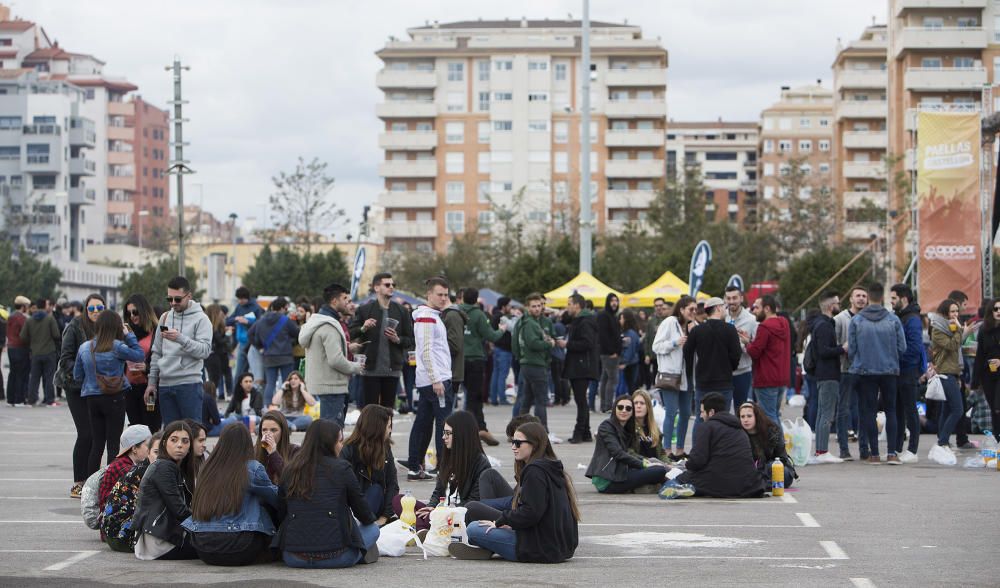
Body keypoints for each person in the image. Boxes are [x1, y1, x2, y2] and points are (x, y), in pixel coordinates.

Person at [450, 422, 579, 563]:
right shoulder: (552, 467)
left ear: (534, 444)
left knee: (474, 529)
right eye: (512, 442)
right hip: (560, 547)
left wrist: (501, 521)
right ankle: (488, 545)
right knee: (478, 514)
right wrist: (509, 522)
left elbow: (531, 512)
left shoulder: (535, 471)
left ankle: (483, 545)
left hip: (540, 549)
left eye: (518, 443)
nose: (513, 447)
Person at [277, 419, 380, 568]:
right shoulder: (342, 468)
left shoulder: (290, 469)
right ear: (329, 443)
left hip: (294, 557)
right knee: (373, 529)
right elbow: (363, 513)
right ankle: (360, 553)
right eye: (339, 441)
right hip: (337, 557)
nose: (341, 445)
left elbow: (281, 513)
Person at [182, 423, 279, 566]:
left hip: (203, 547)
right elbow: (277, 499)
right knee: (261, 499)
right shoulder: (251, 468)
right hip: (240, 545)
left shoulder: (206, 468)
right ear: (247, 444)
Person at [392, 410, 493, 532]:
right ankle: (424, 528)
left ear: (461, 435)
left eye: (448, 433)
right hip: (439, 511)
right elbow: (438, 492)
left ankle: (420, 528)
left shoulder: (481, 464)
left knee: (428, 517)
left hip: (458, 516)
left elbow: (473, 504)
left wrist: (439, 512)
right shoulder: (448, 456)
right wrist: (431, 506)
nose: (443, 437)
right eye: (443, 432)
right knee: (400, 500)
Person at [73, 310, 145, 477]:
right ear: (116, 327)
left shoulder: (85, 347)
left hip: (92, 398)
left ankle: (91, 485)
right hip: (115, 397)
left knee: (97, 444)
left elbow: (77, 376)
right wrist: (129, 335)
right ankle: (112, 484)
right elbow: (139, 355)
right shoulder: (117, 347)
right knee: (113, 444)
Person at [661, 392, 765, 499]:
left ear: (711, 412)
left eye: (702, 412)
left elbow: (697, 461)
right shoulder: (740, 429)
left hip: (719, 481)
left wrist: (685, 467)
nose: (701, 415)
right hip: (747, 485)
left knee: (673, 480)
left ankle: (682, 487)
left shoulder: (707, 427)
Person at [401, 277, 454, 482]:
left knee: (423, 423)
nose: (443, 298)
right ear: (429, 295)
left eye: (445, 295)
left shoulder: (430, 315)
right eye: (439, 294)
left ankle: (416, 466)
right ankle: (443, 467)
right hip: (436, 381)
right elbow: (425, 350)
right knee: (443, 425)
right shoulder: (426, 317)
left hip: (432, 379)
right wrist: (436, 379)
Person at [849, 284, 907, 465]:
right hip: (889, 370)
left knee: (869, 412)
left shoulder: (857, 320)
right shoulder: (893, 319)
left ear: (868, 298)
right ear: (882, 297)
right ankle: (891, 453)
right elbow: (902, 348)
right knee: (891, 411)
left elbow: (851, 350)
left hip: (866, 371)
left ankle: (874, 454)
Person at [147, 276, 213, 425]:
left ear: (188, 296)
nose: (173, 303)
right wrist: (151, 383)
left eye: (177, 299)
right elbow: (157, 352)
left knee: (193, 433)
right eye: (169, 299)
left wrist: (180, 338)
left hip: (189, 384)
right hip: (164, 385)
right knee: (170, 436)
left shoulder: (201, 319)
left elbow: (204, 351)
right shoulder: (164, 317)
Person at [299, 283, 364, 427]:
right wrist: (356, 367)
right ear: (334, 301)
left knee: (328, 431)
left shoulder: (319, 321)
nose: (347, 302)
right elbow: (335, 360)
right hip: (332, 386)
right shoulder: (329, 325)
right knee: (332, 433)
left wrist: (346, 349)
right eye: (344, 298)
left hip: (327, 384)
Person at [132, 420, 198, 560]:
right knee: (218, 543)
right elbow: (179, 510)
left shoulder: (172, 467)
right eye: (174, 440)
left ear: (190, 446)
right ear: (164, 443)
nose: (180, 445)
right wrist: (205, 527)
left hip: (162, 537)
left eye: (185, 441)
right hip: (159, 542)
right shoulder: (164, 467)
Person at [58, 294, 103, 498]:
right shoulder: (75, 326)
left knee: (96, 435)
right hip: (74, 385)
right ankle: (78, 483)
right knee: (85, 433)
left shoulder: (106, 327)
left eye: (99, 308)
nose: (95, 312)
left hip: (96, 388)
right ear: (85, 309)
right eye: (91, 309)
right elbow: (65, 358)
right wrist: (83, 370)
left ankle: (91, 482)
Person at [350, 272, 415, 409]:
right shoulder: (364, 309)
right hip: (370, 368)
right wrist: (363, 328)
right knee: (370, 411)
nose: (391, 287)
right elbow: (349, 333)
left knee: (388, 411)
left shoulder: (402, 310)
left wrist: (397, 339)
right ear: (376, 287)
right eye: (387, 284)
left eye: (393, 284)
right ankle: (371, 432)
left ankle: (386, 432)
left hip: (392, 368)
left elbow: (410, 340)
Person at [683, 297, 742, 443]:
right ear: (718, 308)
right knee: (724, 419)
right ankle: (721, 450)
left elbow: (687, 352)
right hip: (724, 381)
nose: (725, 310)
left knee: (701, 418)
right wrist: (730, 367)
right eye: (724, 307)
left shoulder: (697, 330)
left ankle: (698, 450)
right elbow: (736, 354)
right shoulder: (729, 329)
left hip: (703, 381)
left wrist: (691, 373)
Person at [586, 394, 667, 494]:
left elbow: (631, 454)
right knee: (659, 471)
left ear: (632, 412)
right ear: (614, 409)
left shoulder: (627, 428)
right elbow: (619, 453)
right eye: (620, 407)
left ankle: (648, 486)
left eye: (628, 408)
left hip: (620, 472)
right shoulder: (606, 426)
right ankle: (652, 487)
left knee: (658, 468)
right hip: (607, 480)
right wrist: (645, 464)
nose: (624, 410)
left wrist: (649, 462)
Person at [459, 288, 506, 445]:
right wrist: (501, 331)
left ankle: (481, 427)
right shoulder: (478, 314)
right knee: (474, 396)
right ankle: (472, 430)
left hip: (459, 359)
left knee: (468, 395)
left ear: (463, 298)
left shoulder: (455, 312)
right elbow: (490, 335)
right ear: (476, 299)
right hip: (475, 359)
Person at [101, 432, 161, 552]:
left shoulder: (137, 465)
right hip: (121, 535)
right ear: (134, 448)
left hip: (113, 532)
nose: (160, 457)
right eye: (155, 452)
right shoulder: (126, 468)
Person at [339, 405, 398, 526]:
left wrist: (384, 517)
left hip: (373, 507)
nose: (390, 431)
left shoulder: (385, 448)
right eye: (388, 427)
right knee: (375, 491)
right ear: (376, 428)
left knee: (398, 499)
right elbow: (343, 490)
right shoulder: (348, 450)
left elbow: (392, 484)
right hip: (352, 509)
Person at [653, 295, 696, 460]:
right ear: (682, 309)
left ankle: (680, 449)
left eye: (695, 309)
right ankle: (667, 450)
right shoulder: (670, 322)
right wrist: (674, 343)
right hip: (671, 374)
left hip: (687, 375)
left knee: (685, 413)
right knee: (671, 413)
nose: (694, 312)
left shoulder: (692, 325)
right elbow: (656, 346)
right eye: (690, 309)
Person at [930, 299, 976, 452]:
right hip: (944, 372)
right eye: (952, 311)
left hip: (953, 372)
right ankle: (942, 441)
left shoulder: (951, 329)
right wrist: (959, 331)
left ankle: (942, 441)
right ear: (945, 312)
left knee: (948, 409)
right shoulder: (937, 328)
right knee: (958, 409)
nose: (955, 314)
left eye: (957, 311)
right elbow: (952, 345)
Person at [890, 284, 925, 463]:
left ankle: (912, 450)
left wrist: (898, 360)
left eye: (894, 298)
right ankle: (896, 449)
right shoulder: (900, 317)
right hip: (898, 371)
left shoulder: (912, 319)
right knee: (898, 411)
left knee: (910, 410)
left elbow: (914, 348)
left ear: (904, 299)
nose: (891, 301)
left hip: (908, 371)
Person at [743, 295, 791, 426]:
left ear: (767, 308)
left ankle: (777, 446)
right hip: (781, 378)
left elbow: (754, 352)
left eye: (757, 307)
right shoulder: (784, 323)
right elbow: (767, 348)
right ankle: (777, 445)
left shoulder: (764, 327)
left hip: (766, 378)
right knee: (774, 414)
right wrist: (750, 341)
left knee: (769, 418)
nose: (754, 311)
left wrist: (746, 344)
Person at [809, 292, 845, 463]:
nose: (840, 305)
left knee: (822, 412)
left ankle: (819, 450)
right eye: (838, 302)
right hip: (828, 373)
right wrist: (842, 349)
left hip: (823, 374)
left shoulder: (820, 324)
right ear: (831, 306)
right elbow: (824, 351)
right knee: (827, 414)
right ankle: (822, 451)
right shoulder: (824, 326)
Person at [560, 293, 599, 444]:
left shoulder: (585, 321)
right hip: (579, 365)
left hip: (582, 366)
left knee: (581, 400)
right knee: (581, 400)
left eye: (569, 304)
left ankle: (579, 432)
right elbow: (564, 319)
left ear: (577, 305)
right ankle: (586, 432)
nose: (567, 306)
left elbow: (587, 343)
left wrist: (567, 344)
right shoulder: (579, 320)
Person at [512, 293, 554, 430]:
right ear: (527, 308)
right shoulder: (530, 323)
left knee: (527, 400)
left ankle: (519, 429)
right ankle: (543, 431)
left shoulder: (528, 321)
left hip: (528, 364)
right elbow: (533, 343)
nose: (537, 309)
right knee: (540, 401)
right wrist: (549, 344)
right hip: (535, 365)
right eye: (534, 306)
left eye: (539, 306)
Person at [835, 286, 868, 460]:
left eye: (864, 296)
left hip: (866, 371)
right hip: (845, 370)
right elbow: (832, 345)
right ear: (851, 299)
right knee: (844, 409)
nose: (861, 299)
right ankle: (844, 449)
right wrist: (843, 349)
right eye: (858, 296)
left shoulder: (870, 319)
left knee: (865, 409)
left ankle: (865, 449)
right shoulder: (840, 319)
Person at [249, 296, 300, 406]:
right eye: (286, 309)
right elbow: (297, 333)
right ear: (282, 308)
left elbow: (251, 334)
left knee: (270, 383)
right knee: (287, 383)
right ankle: (287, 405)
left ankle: (268, 407)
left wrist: (260, 347)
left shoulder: (261, 320)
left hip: (269, 356)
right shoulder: (286, 320)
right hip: (285, 356)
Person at [121, 295, 161, 431]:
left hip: (149, 389)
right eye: (129, 313)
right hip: (130, 390)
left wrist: (147, 368)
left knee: (151, 427)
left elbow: (165, 360)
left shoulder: (157, 331)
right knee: (135, 429)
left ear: (144, 311)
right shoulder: (126, 333)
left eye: (135, 312)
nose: (132, 316)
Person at [738, 402, 795, 489]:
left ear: (756, 416)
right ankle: (761, 484)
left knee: (783, 473)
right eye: (742, 417)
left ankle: (759, 483)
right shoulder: (737, 433)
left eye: (749, 416)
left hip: (770, 467)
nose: (745, 420)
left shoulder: (772, 430)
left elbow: (782, 457)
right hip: (748, 470)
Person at [98, 425, 153, 515]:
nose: (151, 450)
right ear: (134, 448)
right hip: (115, 518)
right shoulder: (125, 469)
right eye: (148, 445)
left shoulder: (130, 463)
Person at [21, 297, 61, 406]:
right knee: (49, 377)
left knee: (34, 377)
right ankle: (49, 400)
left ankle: (32, 399)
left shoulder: (29, 320)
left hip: (35, 353)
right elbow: (56, 334)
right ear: (45, 306)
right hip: (49, 352)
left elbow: (23, 336)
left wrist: (32, 341)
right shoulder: (49, 319)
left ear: (36, 306)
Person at [725, 287, 758, 408]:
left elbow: (756, 347)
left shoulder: (751, 320)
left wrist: (744, 344)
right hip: (724, 372)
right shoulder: (722, 317)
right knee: (723, 410)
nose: (731, 301)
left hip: (742, 371)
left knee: (741, 409)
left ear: (741, 298)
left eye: (734, 298)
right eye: (728, 298)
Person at [226, 286, 264, 392]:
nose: (240, 301)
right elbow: (228, 320)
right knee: (239, 372)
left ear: (246, 298)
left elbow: (261, 324)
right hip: (242, 343)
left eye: (241, 299)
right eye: (238, 299)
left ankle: (254, 394)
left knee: (256, 373)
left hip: (253, 344)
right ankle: (236, 394)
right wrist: (236, 319)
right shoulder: (239, 307)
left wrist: (248, 322)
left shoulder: (256, 307)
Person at [973, 299, 1000, 442]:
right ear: (991, 311)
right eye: (996, 309)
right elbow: (979, 355)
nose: (999, 312)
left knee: (998, 406)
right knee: (993, 410)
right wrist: (974, 381)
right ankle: (998, 438)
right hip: (988, 374)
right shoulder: (984, 330)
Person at [256, 410, 301, 485]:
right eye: (264, 430)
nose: (268, 434)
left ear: (283, 432)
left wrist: (273, 454)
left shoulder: (295, 451)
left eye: (273, 430)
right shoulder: (255, 451)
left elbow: (291, 481)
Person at [596, 293, 622, 413]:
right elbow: (603, 336)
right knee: (612, 379)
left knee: (606, 378)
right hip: (609, 353)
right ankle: (607, 406)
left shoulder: (612, 316)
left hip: (612, 353)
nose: (614, 303)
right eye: (612, 300)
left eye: (616, 300)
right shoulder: (604, 315)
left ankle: (604, 406)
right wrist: (612, 351)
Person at [489, 297, 516, 406]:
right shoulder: (502, 318)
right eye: (509, 305)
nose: (510, 307)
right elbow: (512, 328)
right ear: (503, 306)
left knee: (495, 374)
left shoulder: (494, 316)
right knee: (502, 375)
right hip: (504, 350)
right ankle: (502, 398)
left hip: (497, 348)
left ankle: (494, 398)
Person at [203, 304, 232, 401]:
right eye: (219, 311)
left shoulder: (219, 325)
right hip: (213, 355)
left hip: (221, 354)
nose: (221, 313)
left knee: (223, 374)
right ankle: (211, 396)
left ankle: (223, 394)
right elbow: (220, 340)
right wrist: (228, 334)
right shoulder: (211, 327)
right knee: (214, 376)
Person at [643, 298, 672, 393]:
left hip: (665, 354)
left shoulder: (669, 320)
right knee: (654, 376)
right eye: (657, 306)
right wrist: (646, 354)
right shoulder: (651, 320)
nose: (659, 308)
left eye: (661, 305)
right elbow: (647, 338)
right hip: (653, 354)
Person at [6, 295, 31, 407]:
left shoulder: (10, 317)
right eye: (26, 306)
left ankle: (10, 398)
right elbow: (25, 334)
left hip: (11, 347)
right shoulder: (22, 318)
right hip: (21, 348)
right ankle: (19, 399)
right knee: (21, 373)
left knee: (13, 373)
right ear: (23, 307)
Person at [632, 389, 666, 461]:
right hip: (640, 466)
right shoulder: (629, 428)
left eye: (642, 403)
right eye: (635, 403)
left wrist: (668, 463)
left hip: (658, 466)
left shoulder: (654, 428)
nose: (638, 406)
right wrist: (650, 462)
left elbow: (662, 453)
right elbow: (630, 453)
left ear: (648, 407)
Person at [618, 310, 642, 393]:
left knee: (631, 387)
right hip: (629, 363)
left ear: (626, 320)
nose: (620, 320)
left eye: (621, 318)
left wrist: (624, 362)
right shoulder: (626, 332)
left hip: (630, 364)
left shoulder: (630, 333)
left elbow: (630, 350)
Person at [185, 419, 209, 486]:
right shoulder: (177, 463)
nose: (204, 445)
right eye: (200, 441)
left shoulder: (206, 457)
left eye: (204, 440)